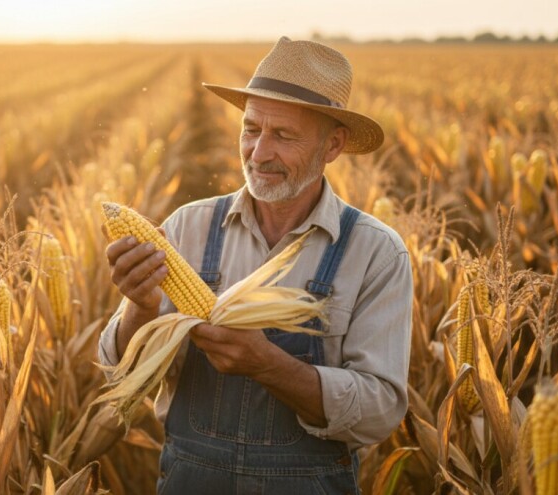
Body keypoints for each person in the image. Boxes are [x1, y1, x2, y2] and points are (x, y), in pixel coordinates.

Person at [99, 37, 412, 494]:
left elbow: (380, 409)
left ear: (333, 146)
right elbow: (123, 378)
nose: (259, 152)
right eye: (251, 129)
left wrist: (270, 366)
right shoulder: (187, 228)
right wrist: (141, 308)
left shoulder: (376, 253)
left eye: (283, 136)